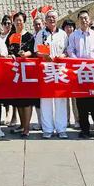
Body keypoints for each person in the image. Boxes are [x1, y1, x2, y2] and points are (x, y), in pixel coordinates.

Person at [67, 10, 94, 139]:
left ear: (89, 20)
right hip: (79, 72)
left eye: (86, 18)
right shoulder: (73, 36)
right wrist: (78, 62)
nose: (84, 20)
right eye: (81, 18)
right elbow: (70, 51)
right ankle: (84, 129)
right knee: (82, 103)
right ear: (78, 20)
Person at [35, 9, 68, 139]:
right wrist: (44, 56)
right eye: (49, 17)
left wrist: (62, 55)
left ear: (57, 19)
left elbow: (67, 50)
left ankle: (61, 129)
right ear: (45, 20)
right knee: (46, 100)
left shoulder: (63, 34)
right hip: (46, 69)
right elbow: (36, 51)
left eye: (54, 17)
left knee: (61, 100)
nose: (52, 19)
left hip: (60, 69)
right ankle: (47, 129)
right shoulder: (41, 34)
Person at [5, 12, 37, 137]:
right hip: (15, 71)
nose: (18, 22)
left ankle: (27, 128)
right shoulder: (11, 36)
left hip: (27, 71)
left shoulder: (29, 36)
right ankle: (22, 125)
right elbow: (7, 50)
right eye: (16, 20)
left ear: (24, 21)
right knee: (18, 100)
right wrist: (10, 55)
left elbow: (33, 51)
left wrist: (26, 54)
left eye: (20, 20)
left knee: (27, 100)